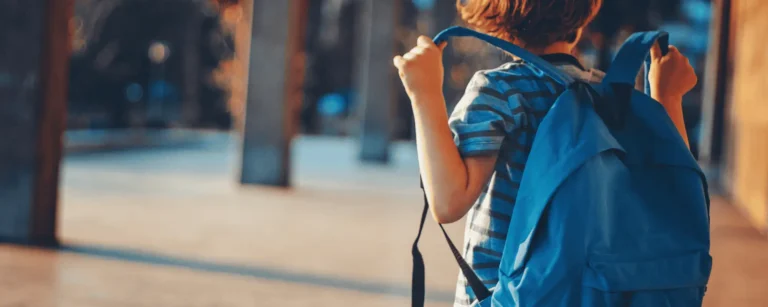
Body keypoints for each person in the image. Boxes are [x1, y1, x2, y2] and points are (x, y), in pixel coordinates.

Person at [392, 0, 698, 306]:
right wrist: (667, 98)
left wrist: (424, 93)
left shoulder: (500, 90)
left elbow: (449, 202)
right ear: (587, 13)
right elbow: (673, 195)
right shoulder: (611, 96)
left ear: (490, 14)